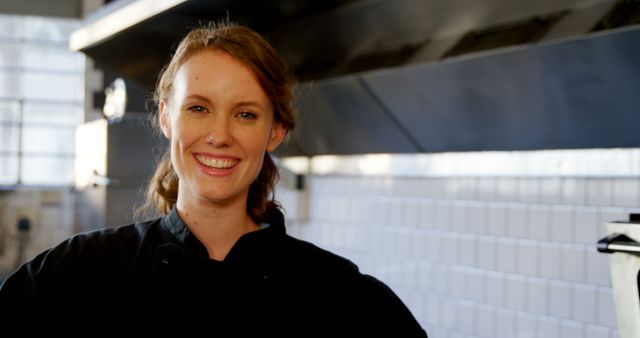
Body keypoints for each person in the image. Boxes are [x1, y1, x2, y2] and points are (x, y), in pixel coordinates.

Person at [0, 21, 428, 336]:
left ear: (275, 131)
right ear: (167, 116)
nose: (219, 136)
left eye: (245, 114)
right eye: (198, 108)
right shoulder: (80, 274)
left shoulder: (338, 297)